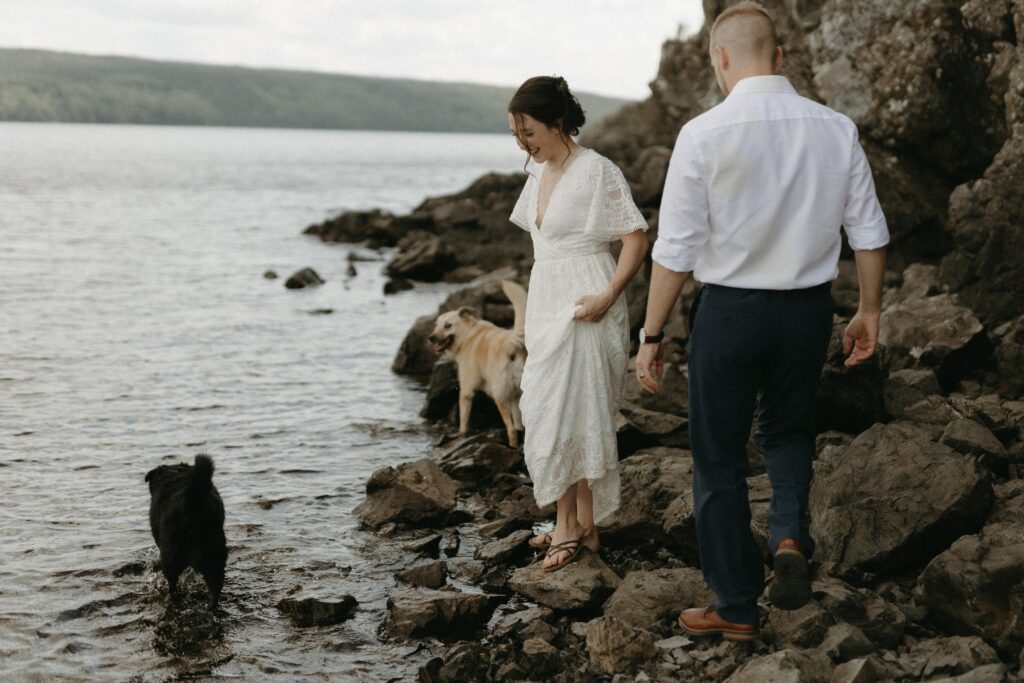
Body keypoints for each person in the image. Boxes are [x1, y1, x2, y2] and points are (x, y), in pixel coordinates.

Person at [635, 2, 889, 640]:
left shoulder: (704, 133)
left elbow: (676, 250)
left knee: (717, 457)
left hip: (730, 312)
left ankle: (737, 607)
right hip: (806, 311)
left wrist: (652, 334)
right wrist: (868, 311)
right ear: (780, 56)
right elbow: (869, 232)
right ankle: (788, 538)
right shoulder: (835, 128)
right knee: (787, 433)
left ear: (720, 59)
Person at [507, 76, 649, 572]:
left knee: (577, 412)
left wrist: (610, 295)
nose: (523, 143)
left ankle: (568, 526)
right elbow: (542, 248)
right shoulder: (537, 174)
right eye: (516, 134)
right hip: (549, 297)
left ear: (558, 122)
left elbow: (635, 238)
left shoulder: (597, 171)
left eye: (528, 131)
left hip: (591, 297)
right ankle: (584, 525)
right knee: (547, 408)